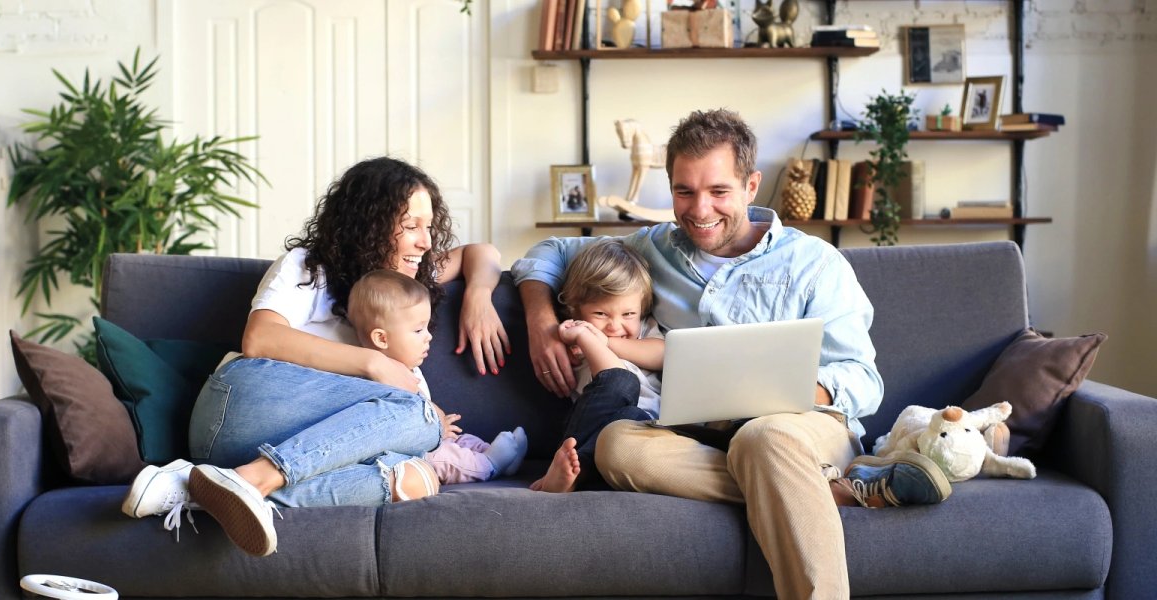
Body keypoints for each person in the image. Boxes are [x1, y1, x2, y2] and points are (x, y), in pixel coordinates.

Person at [511, 109, 950, 599]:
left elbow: (863, 379)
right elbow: (549, 251)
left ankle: (800, 485)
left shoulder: (815, 263)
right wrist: (541, 321)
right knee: (617, 445)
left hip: (799, 429)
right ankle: (825, 489)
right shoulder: (650, 248)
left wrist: (788, 388)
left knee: (763, 437)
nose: (699, 210)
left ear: (750, 186)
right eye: (684, 192)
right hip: (692, 436)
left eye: (718, 191)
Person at [121, 156, 510, 558]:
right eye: (411, 226)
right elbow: (260, 338)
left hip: (288, 451)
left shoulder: (406, 280)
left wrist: (479, 298)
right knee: (420, 414)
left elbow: (480, 253)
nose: (426, 242)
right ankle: (256, 479)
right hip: (240, 409)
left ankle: (201, 487)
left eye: (428, 227)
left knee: (417, 477)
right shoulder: (309, 268)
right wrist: (375, 364)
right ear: (369, 225)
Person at [346, 269, 528, 484]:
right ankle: (489, 465)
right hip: (408, 453)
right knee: (442, 458)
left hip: (428, 437)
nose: (429, 336)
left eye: (427, 328)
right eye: (418, 331)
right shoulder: (376, 378)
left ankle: (501, 458)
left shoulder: (409, 368)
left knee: (462, 440)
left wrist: (439, 424)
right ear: (381, 338)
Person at [528, 238, 663, 493]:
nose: (615, 325)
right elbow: (615, 377)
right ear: (574, 310)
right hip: (595, 430)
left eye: (628, 314)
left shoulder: (644, 329)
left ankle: (574, 479)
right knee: (621, 386)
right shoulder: (574, 337)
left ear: (642, 309)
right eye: (601, 314)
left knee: (632, 417)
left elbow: (663, 354)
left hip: (645, 431)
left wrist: (604, 340)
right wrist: (587, 338)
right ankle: (567, 475)